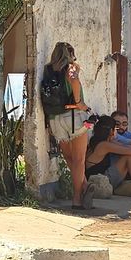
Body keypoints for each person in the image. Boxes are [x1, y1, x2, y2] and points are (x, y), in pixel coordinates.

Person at [42, 41, 94, 209]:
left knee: (70, 158)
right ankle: (77, 198)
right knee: (79, 159)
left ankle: (84, 185)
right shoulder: (71, 67)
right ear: (70, 54)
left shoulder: (48, 69)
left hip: (55, 119)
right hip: (73, 116)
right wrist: (79, 102)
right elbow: (74, 81)